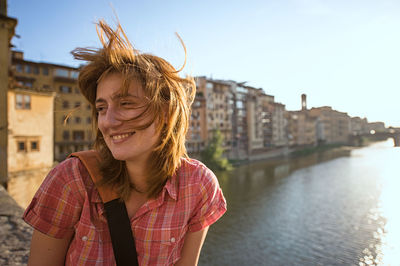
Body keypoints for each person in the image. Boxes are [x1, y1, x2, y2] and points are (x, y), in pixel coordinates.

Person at [23, 20, 227, 266]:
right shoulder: (71, 180)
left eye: (126, 103)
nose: (107, 122)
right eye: (101, 108)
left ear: (166, 113)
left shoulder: (198, 185)